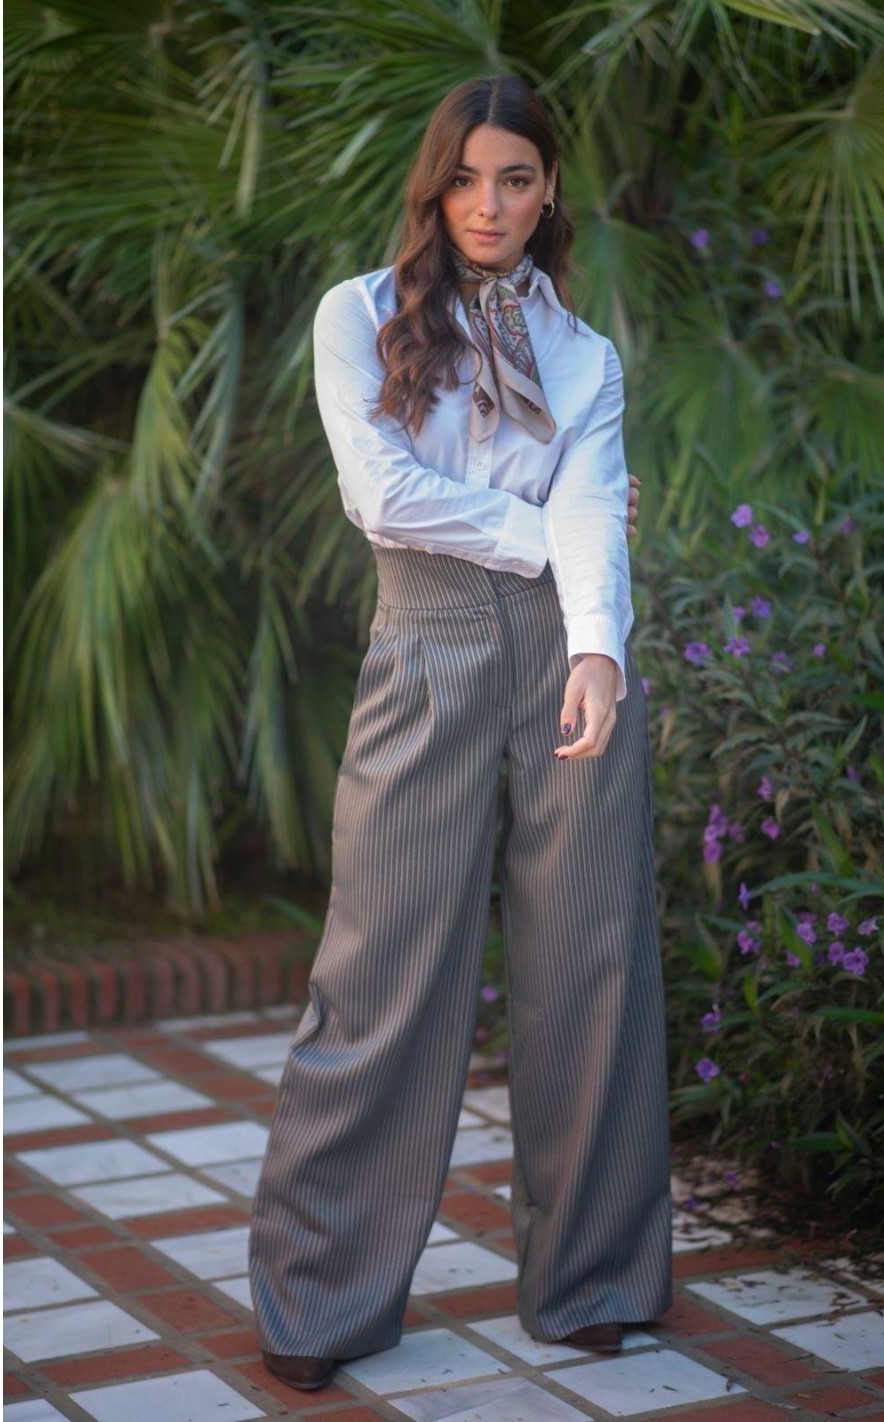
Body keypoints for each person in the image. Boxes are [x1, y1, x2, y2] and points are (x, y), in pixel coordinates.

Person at [248, 73, 672, 1394]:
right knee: (380, 972)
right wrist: (547, 531)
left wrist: (598, 648)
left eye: (517, 180)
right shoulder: (358, 316)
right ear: (434, 186)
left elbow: (596, 502)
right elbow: (384, 495)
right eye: (468, 178)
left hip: (568, 654)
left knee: (593, 962)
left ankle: (593, 1278)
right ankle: (320, 1297)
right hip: (425, 644)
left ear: (548, 194)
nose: (489, 205)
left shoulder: (584, 354)